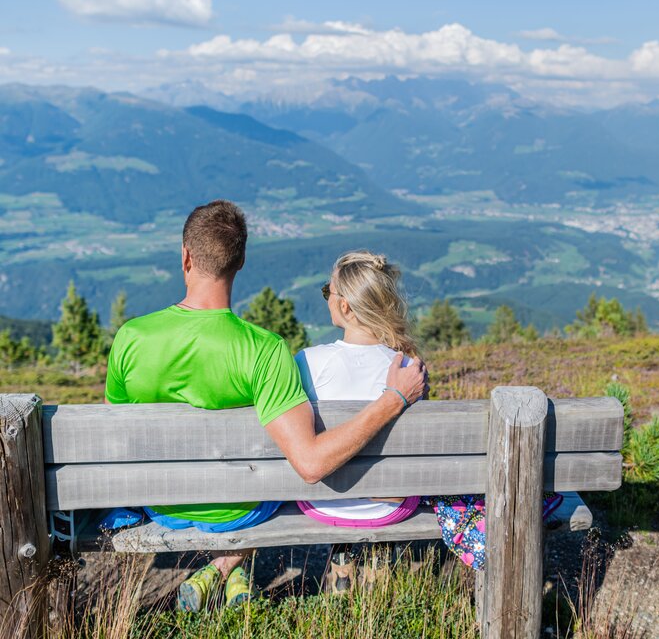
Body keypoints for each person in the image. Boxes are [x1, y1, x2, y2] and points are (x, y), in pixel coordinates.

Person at [104, 201, 426, 611]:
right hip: (241, 508)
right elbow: (309, 463)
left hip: (164, 504)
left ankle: (228, 571)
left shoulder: (131, 337)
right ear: (240, 262)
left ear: (186, 256)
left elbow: (116, 435)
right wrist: (395, 398)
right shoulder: (265, 350)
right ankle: (231, 568)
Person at [294, 250, 421, 590]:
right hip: (389, 506)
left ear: (346, 307)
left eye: (328, 292)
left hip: (324, 499)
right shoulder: (409, 369)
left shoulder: (307, 362)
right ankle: (377, 553)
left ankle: (344, 554)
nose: (327, 298)